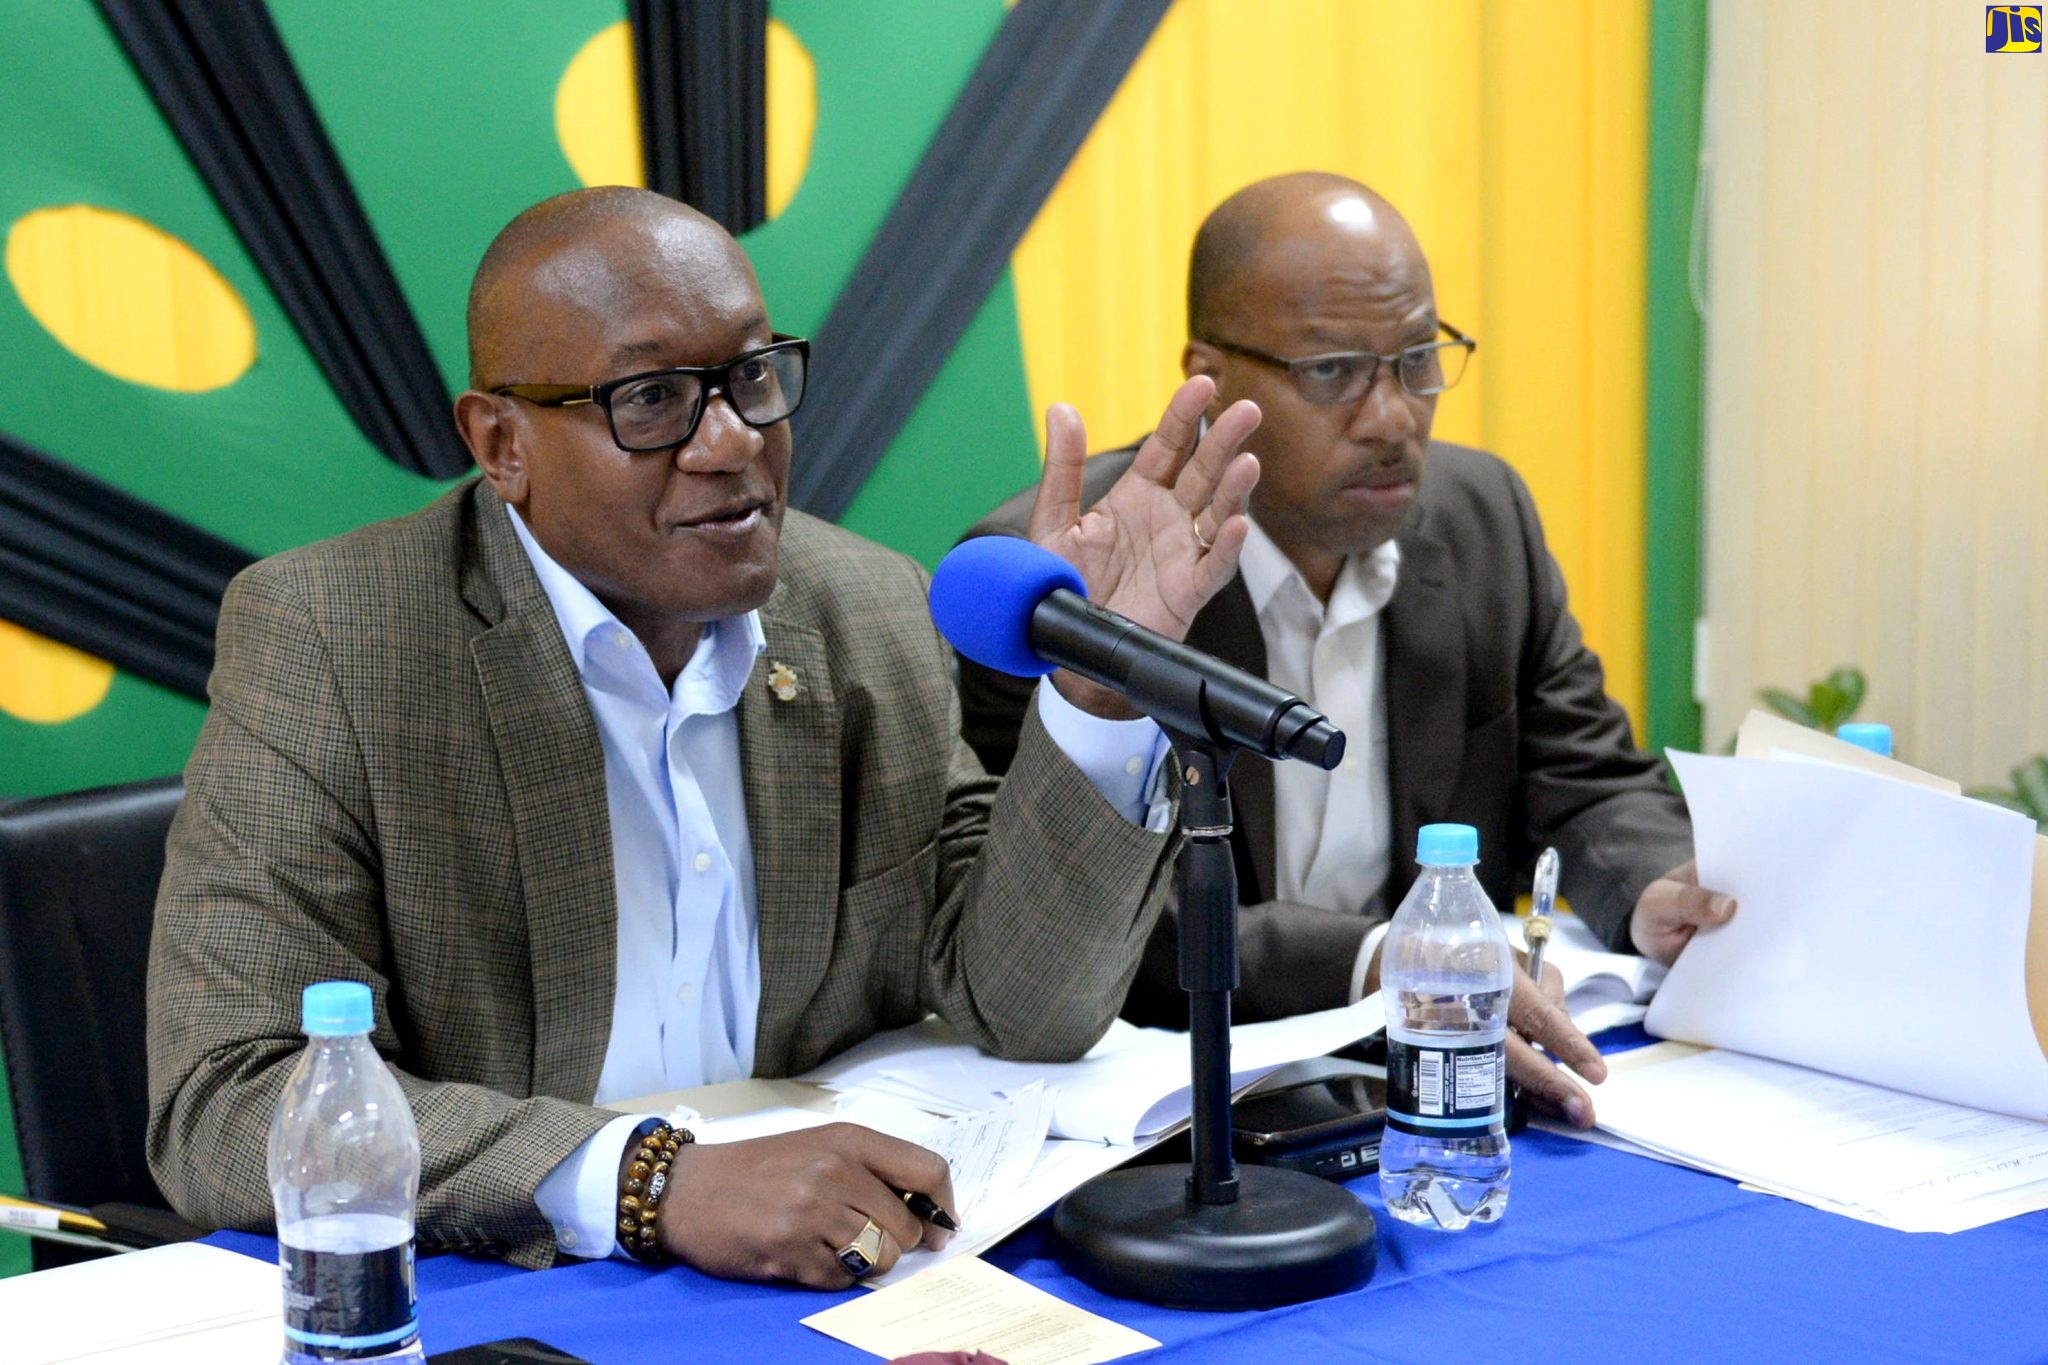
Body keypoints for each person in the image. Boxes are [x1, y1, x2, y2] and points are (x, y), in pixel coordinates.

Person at [146, 187, 1263, 1284]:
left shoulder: (867, 609)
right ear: (502, 443)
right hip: (508, 1287)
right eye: (650, 400)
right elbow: (227, 1099)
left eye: (751, 377)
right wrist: (652, 1183)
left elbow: (1025, 1005)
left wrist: (1098, 691)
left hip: (833, 1269)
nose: (731, 441)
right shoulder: (336, 640)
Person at [957, 173, 1736, 1127]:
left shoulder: (1484, 518)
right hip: (1184, 1101)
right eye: (1331, 370)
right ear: (1210, 377)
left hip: (1440, 1081)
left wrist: (1657, 885)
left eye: (1417, 359)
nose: (1392, 417)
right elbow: (1066, 916)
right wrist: (1373, 960)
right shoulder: (1066, 578)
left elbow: (1585, 776)